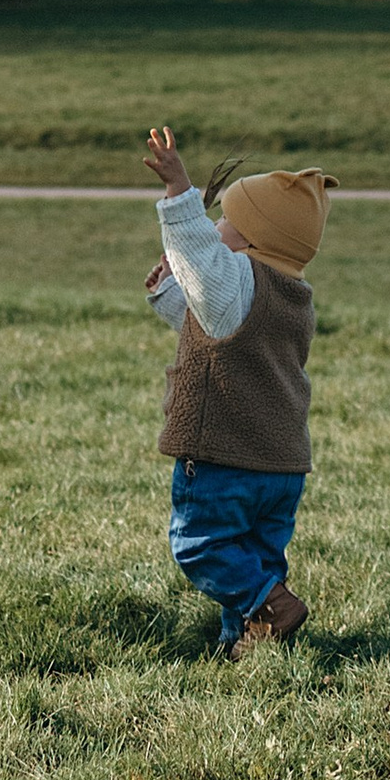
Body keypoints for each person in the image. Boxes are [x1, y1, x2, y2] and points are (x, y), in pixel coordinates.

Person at [142, 128, 335, 659]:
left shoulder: (236, 280)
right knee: (256, 553)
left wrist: (178, 189)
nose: (217, 226)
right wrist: (167, 290)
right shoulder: (291, 296)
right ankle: (247, 645)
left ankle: (268, 603)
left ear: (252, 243)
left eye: (225, 221)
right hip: (281, 465)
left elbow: (200, 253)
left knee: (202, 546)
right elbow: (210, 327)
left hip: (226, 457)